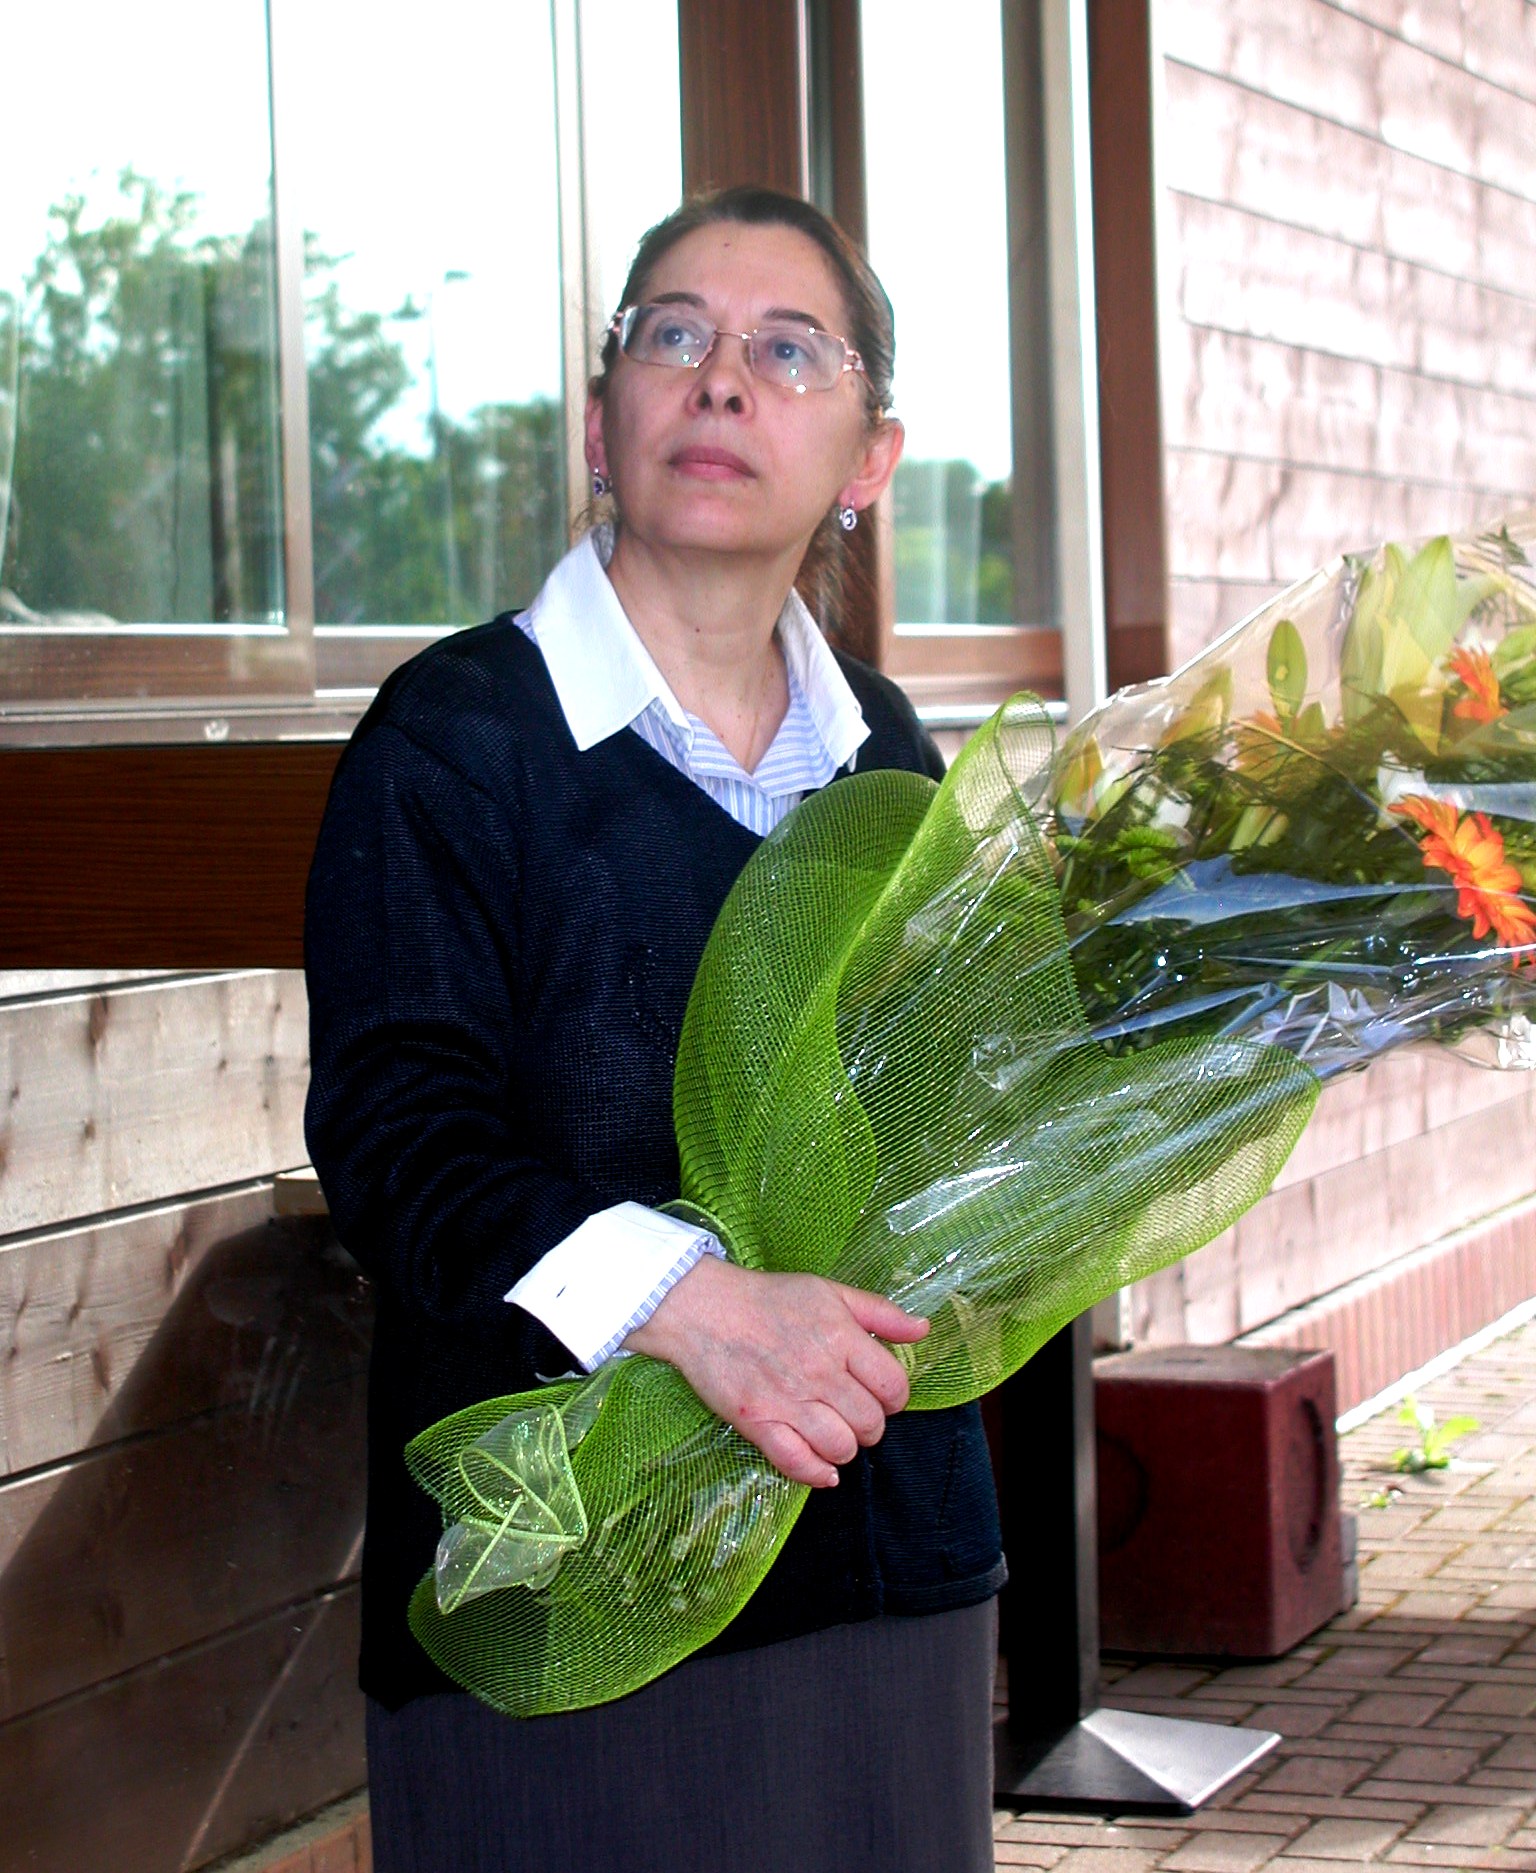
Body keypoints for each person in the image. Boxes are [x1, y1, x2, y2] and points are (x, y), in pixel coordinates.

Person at [304, 185, 1005, 1873]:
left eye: (786, 349)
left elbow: (960, 1109)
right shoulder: (456, 742)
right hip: (574, 1604)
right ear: (605, 411)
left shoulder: (889, 759)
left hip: (885, 1567)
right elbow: (404, 1144)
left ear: (866, 458)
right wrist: (693, 1305)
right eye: (673, 335)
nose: (720, 380)